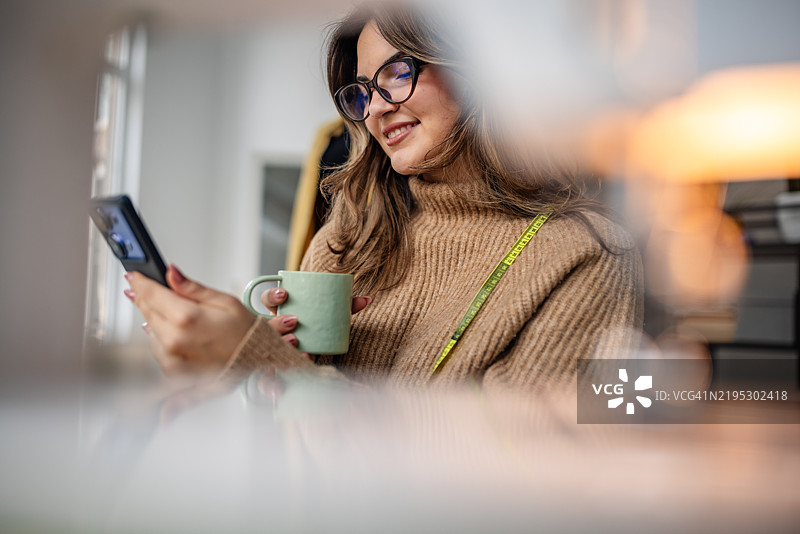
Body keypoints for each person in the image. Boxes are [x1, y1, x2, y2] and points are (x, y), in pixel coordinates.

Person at [125, 2, 643, 393]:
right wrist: (265, 364)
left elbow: (522, 475)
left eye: (397, 72)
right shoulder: (349, 238)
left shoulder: (587, 256)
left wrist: (259, 361)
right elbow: (293, 452)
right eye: (362, 91)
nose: (374, 109)